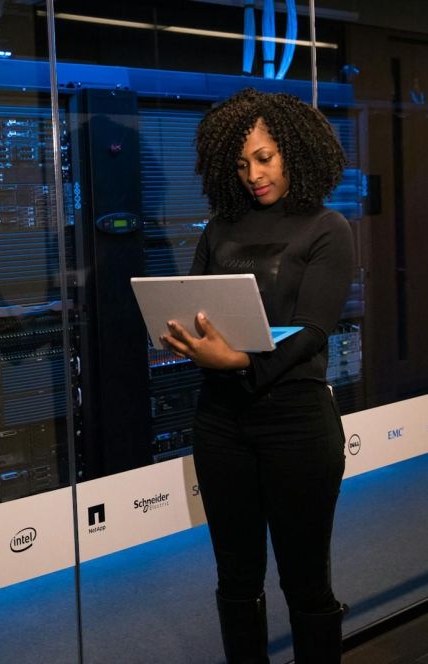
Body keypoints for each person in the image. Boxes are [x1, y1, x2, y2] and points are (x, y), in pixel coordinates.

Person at [160, 88, 354, 663]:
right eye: (242, 163)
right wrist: (186, 337)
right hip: (221, 423)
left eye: (265, 158)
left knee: (305, 584)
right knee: (236, 583)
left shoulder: (327, 227)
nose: (253, 174)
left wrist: (240, 360)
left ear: (294, 151)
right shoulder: (220, 227)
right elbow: (189, 302)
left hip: (297, 423)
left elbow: (313, 329)